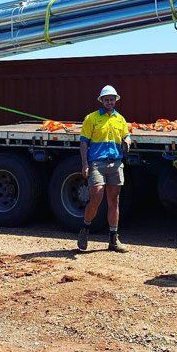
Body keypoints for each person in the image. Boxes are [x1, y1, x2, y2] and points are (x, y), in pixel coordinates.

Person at [78, 85, 131, 253]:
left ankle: (113, 240)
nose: (109, 102)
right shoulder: (91, 118)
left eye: (112, 99)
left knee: (114, 200)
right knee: (96, 196)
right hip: (97, 163)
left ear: (115, 100)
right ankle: (85, 229)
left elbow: (126, 135)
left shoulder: (120, 119)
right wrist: (85, 164)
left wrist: (128, 141)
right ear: (101, 101)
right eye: (106, 99)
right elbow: (84, 142)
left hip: (115, 163)